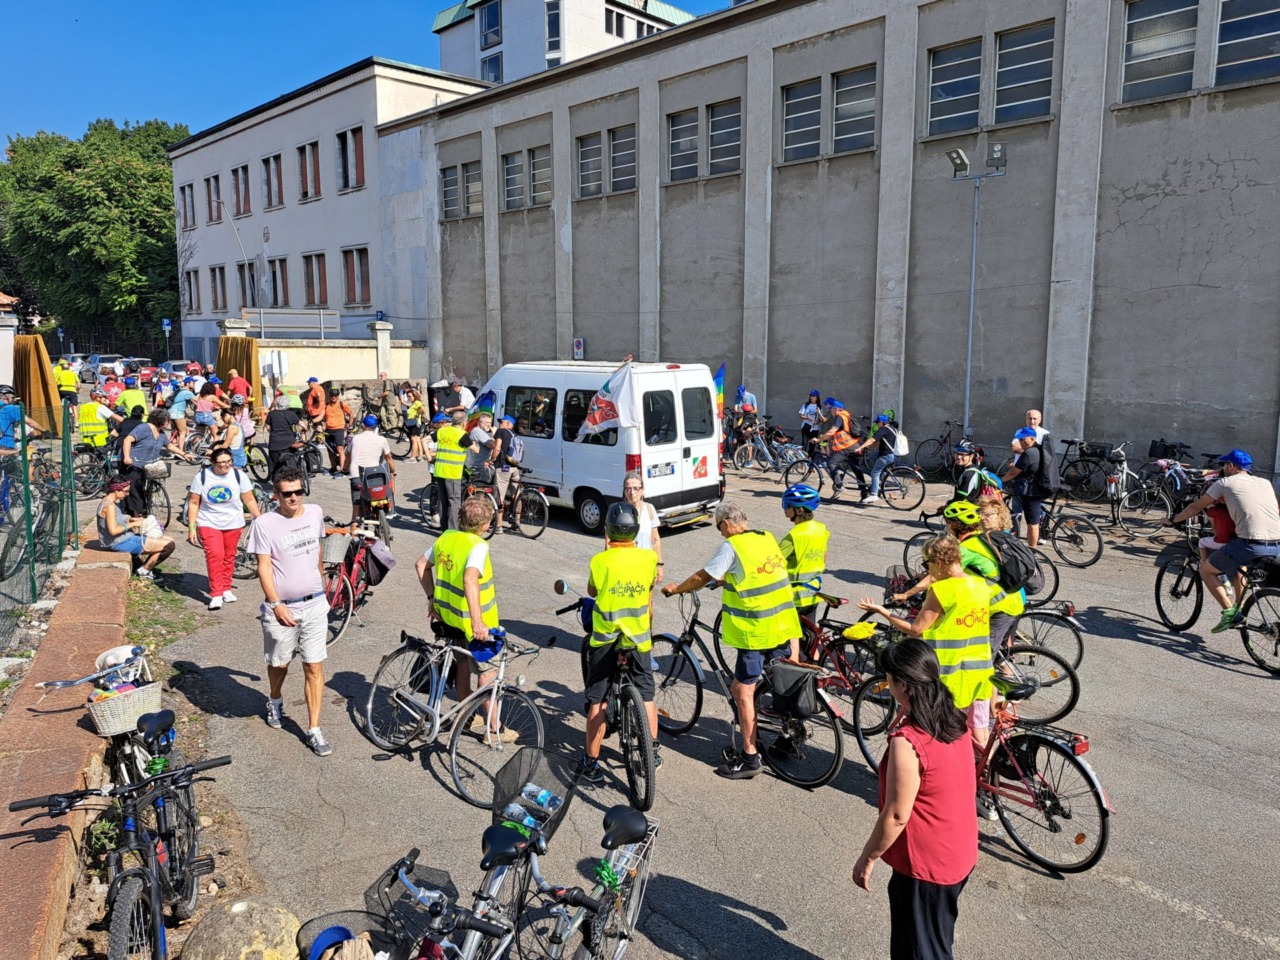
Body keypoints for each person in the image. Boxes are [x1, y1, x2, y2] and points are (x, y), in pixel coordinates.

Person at [851, 638, 977, 960]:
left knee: (922, 951)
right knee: (933, 939)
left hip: (927, 867)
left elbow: (896, 815)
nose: (887, 685)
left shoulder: (908, 742)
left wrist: (867, 858)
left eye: (889, 679)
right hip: (958, 850)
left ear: (902, 684)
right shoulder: (953, 716)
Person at [662, 502, 800, 779]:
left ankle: (749, 759)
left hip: (756, 630)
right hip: (783, 624)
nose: (720, 533)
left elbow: (703, 576)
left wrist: (677, 588)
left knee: (743, 691)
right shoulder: (766, 537)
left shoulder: (731, 546)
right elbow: (762, 572)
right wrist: (730, 580)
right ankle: (789, 734)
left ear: (726, 524)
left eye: (718, 527)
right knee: (781, 681)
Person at [858, 534, 994, 750]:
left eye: (927, 564)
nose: (928, 571)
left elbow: (916, 630)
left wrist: (882, 612)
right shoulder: (981, 585)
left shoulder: (941, 590)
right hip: (980, 670)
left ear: (939, 562)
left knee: (943, 732)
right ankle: (984, 775)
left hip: (949, 673)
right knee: (979, 730)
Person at [247, 465, 332, 757]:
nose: (294, 498)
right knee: (280, 663)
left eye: (298, 492)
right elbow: (264, 565)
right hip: (282, 608)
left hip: (315, 604)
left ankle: (314, 729)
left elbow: (318, 548)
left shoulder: (316, 513)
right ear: (276, 495)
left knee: (314, 665)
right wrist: (275, 603)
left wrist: (321, 580)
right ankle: (274, 699)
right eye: (287, 494)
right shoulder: (265, 524)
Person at [415, 495, 516, 740]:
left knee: (461, 664)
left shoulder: (446, 538)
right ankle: (495, 729)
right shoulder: (478, 546)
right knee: (487, 674)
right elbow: (470, 578)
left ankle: (466, 715)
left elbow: (420, 565)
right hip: (474, 626)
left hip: (449, 619)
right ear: (485, 525)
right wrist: (478, 621)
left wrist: (432, 599)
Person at [581, 502, 661, 782]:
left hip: (605, 640)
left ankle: (591, 762)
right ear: (635, 531)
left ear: (609, 531)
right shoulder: (648, 559)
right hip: (638, 638)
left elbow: (592, 590)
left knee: (598, 700)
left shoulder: (600, 561)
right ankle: (653, 751)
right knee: (647, 693)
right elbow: (649, 586)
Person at [896, 500, 1024, 663]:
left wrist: (907, 594)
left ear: (954, 525)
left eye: (949, 524)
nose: (947, 527)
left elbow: (937, 575)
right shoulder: (979, 539)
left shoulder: (967, 548)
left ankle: (1005, 683)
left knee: (981, 660)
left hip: (1000, 607)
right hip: (1002, 600)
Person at [1167, 449, 1280, 633]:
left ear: (1231, 466)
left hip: (1250, 544)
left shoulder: (1225, 482)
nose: (1222, 469)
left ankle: (1230, 613)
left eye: (1223, 465)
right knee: (1239, 567)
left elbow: (1196, 507)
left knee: (1206, 570)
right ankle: (1239, 604)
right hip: (1276, 544)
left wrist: (1172, 520)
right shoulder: (1264, 482)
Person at [186, 447, 260, 610]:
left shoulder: (239, 476)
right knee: (215, 556)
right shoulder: (202, 477)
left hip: (233, 522)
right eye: (222, 463)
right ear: (212, 462)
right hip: (208, 522)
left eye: (229, 461)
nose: (226, 466)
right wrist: (192, 528)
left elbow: (249, 500)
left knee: (229, 556)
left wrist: (259, 518)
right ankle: (216, 593)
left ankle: (226, 587)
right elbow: (193, 502)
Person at [97, 474, 175, 580]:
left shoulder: (108, 502)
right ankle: (144, 571)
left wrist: (131, 519)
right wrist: (133, 524)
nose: (127, 494)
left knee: (169, 539)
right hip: (119, 542)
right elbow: (113, 531)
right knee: (169, 546)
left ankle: (142, 566)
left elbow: (114, 519)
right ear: (116, 490)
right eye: (125, 491)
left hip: (124, 538)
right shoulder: (109, 506)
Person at [120, 409, 190, 517]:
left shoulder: (161, 433)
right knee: (135, 488)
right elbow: (127, 440)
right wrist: (127, 457)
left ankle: (142, 509)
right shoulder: (144, 428)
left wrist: (184, 454)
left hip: (148, 465)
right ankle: (136, 515)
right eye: (168, 421)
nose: (169, 423)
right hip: (134, 463)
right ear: (161, 420)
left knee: (144, 487)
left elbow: (169, 446)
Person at [779, 484, 828, 615]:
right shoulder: (821, 529)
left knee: (787, 634)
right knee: (809, 633)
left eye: (786, 505)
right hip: (813, 591)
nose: (784, 509)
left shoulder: (794, 535)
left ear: (799, 510)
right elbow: (824, 556)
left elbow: (775, 562)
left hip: (794, 596)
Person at [1001, 427, 1054, 546]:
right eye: (1019, 440)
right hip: (1038, 488)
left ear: (1032, 438)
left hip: (1032, 492)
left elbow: (1013, 473)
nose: (1021, 442)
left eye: (1023, 439)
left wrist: (999, 481)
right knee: (1032, 519)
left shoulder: (1029, 453)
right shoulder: (1038, 450)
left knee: (1032, 524)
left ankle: (1032, 551)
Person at [348, 413, 396, 525]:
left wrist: (344, 468)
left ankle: (355, 535)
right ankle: (389, 512)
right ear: (376, 428)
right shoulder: (382, 439)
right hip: (375, 478)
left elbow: (348, 457)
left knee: (357, 511)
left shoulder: (355, 439)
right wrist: (393, 471)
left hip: (357, 477)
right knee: (383, 491)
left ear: (363, 426)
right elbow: (389, 459)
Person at [818, 399, 869, 499]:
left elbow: (832, 431)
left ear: (836, 408)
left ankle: (839, 486)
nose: (829, 410)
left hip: (847, 447)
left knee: (831, 463)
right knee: (855, 468)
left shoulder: (839, 417)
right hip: (855, 446)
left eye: (829, 408)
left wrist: (818, 439)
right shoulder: (847, 415)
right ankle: (864, 492)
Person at [851, 414, 902, 505]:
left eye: (878, 422)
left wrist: (860, 448)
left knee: (874, 473)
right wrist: (869, 447)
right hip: (894, 455)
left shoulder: (883, 429)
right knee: (872, 456)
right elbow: (881, 442)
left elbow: (872, 440)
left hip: (887, 456)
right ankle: (880, 479)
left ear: (882, 422)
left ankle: (874, 494)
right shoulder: (892, 429)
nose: (877, 424)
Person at [622, 471, 662, 581]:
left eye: (636, 488)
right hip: (625, 568)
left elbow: (655, 540)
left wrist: (659, 565)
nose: (632, 492)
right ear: (624, 491)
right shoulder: (618, 513)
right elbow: (608, 542)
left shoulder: (649, 509)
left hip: (646, 566)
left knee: (648, 598)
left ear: (642, 490)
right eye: (628, 488)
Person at [432, 411, 469, 530]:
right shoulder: (462, 434)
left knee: (444, 501)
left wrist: (428, 456)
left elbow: (424, 440)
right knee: (454, 501)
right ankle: (453, 530)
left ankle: (444, 529)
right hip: (453, 473)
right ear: (464, 422)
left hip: (439, 471)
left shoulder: (442, 431)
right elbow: (475, 449)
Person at [492, 414, 523, 531]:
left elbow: (497, 448)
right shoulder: (516, 435)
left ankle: (499, 526)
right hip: (515, 467)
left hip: (503, 467)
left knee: (500, 495)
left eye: (502, 422)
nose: (500, 424)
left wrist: (491, 460)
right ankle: (517, 522)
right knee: (516, 494)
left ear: (509, 424)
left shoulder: (501, 432)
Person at [266, 395, 303, 477]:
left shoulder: (271, 414)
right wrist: (304, 430)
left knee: (276, 466)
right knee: (291, 464)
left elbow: (268, 428)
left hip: (274, 444)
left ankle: (277, 483)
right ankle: (294, 479)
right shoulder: (291, 414)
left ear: (277, 404)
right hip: (288, 443)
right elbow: (302, 425)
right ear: (288, 405)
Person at [322, 386, 352, 477]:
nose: (334, 397)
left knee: (340, 449)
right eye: (332, 395)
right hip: (328, 430)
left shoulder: (342, 404)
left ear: (338, 395)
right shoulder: (326, 405)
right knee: (330, 450)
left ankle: (342, 469)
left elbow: (351, 414)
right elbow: (323, 417)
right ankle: (333, 467)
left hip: (339, 429)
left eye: (335, 395)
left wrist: (349, 424)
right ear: (329, 395)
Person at [466, 411, 497, 482]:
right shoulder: (477, 431)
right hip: (479, 467)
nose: (489, 425)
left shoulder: (482, 432)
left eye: (490, 422)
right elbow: (493, 445)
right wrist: (494, 433)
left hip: (482, 466)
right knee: (481, 489)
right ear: (480, 422)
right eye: (487, 423)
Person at [168, 378, 197, 449]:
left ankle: (173, 451)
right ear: (187, 384)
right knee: (183, 432)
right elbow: (198, 400)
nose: (194, 384)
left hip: (170, 412)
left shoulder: (179, 390)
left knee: (174, 432)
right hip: (178, 414)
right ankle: (181, 451)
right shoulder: (188, 392)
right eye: (193, 383)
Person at [54, 359, 79, 427]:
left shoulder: (60, 373)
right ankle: (76, 421)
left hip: (62, 390)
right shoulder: (73, 373)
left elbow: (56, 383)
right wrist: (77, 390)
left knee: (59, 403)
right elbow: (79, 384)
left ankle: (61, 418)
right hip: (72, 390)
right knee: (74, 405)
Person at [404, 389, 428, 461]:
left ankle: (413, 457)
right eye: (407, 396)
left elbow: (422, 409)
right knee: (417, 440)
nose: (408, 398)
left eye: (410, 396)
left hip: (414, 423)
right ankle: (420, 456)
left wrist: (417, 414)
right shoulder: (414, 403)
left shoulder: (417, 402)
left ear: (414, 396)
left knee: (413, 440)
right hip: (416, 423)